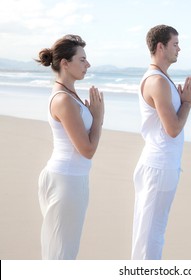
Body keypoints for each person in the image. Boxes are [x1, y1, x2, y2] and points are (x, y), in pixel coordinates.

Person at [132, 25, 191, 260]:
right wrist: (187, 103)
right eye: (175, 44)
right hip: (159, 166)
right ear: (160, 47)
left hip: (161, 164)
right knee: (150, 237)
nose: (179, 48)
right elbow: (172, 129)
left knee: (151, 233)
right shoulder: (157, 81)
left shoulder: (162, 79)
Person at [36, 34, 104, 259]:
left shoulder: (69, 95)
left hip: (69, 178)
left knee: (61, 251)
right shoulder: (64, 99)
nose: (88, 64)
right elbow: (87, 150)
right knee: (61, 254)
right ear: (65, 63)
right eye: (82, 59)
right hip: (67, 181)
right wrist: (98, 118)